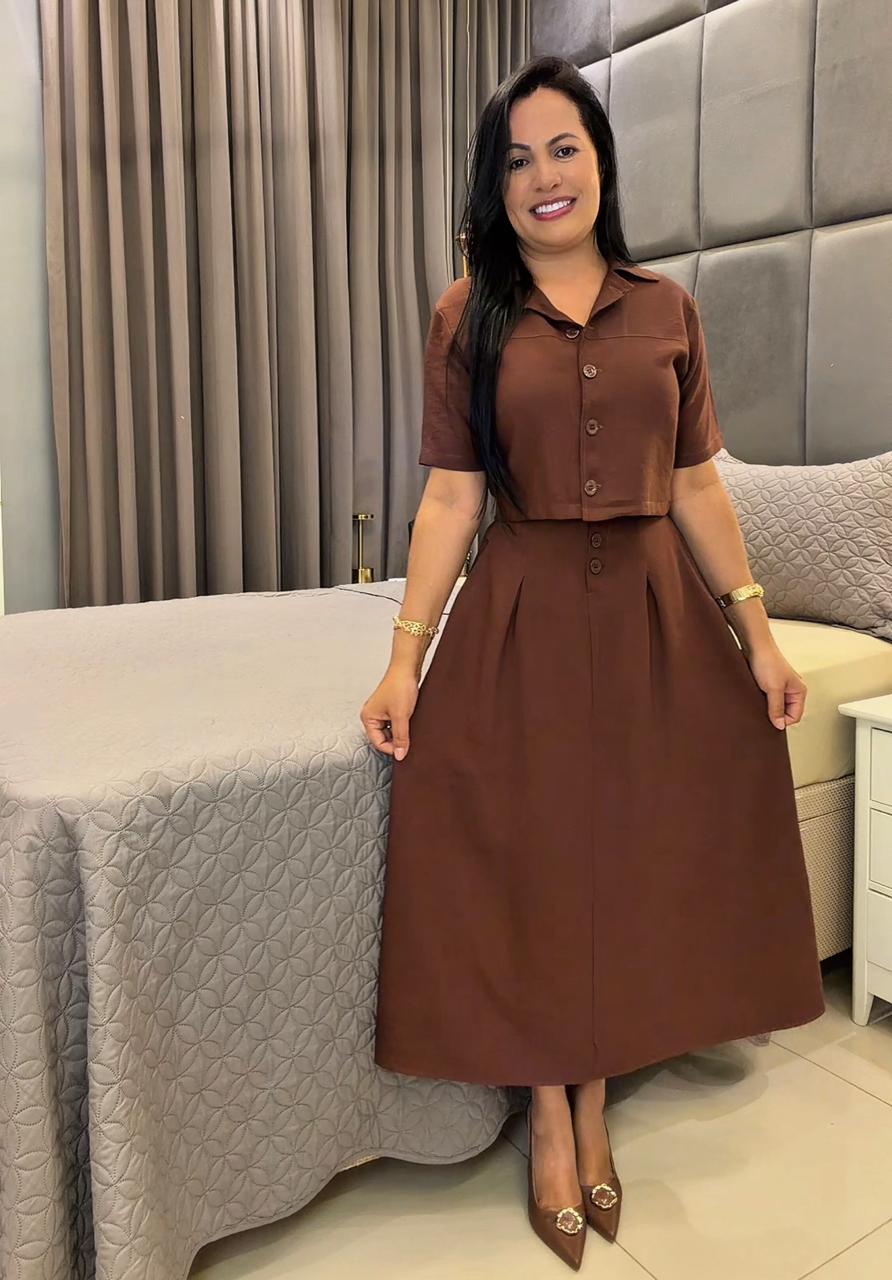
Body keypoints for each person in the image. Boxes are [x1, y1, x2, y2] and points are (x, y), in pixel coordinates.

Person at [359, 54, 825, 1271]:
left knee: (629, 845)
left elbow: (696, 484)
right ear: (495, 184)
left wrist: (759, 635)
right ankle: (551, 1109)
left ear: (602, 162)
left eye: (563, 147)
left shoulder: (667, 309)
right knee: (529, 845)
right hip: (520, 607)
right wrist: (405, 661)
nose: (543, 176)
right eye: (516, 159)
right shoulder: (468, 313)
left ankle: (595, 1093)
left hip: (655, 615)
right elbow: (451, 498)